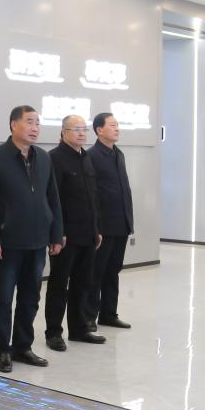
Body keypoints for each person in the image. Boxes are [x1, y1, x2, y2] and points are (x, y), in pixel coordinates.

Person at [0, 105, 63, 373]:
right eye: (30, 122)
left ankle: (23, 347)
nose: (35, 128)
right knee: (2, 299)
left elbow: (53, 198)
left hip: (37, 242)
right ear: (14, 125)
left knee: (30, 297)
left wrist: (56, 234)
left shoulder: (44, 158)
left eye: (38, 123)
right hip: (6, 244)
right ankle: (2, 350)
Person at [45, 115, 106, 351]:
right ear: (63, 132)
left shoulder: (86, 157)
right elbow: (53, 200)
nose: (82, 133)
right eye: (76, 129)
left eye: (84, 129)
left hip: (88, 234)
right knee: (59, 285)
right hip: (65, 237)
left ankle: (79, 329)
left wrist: (97, 229)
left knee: (83, 283)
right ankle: (54, 333)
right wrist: (57, 233)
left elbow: (94, 197)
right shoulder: (54, 158)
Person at [88, 112, 134, 330]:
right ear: (99, 130)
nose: (117, 129)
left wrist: (129, 221)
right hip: (103, 227)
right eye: (113, 125)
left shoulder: (119, 154)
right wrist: (95, 226)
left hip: (121, 224)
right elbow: (92, 195)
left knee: (113, 270)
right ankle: (89, 317)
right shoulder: (92, 156)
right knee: (96, 273)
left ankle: (108, 314)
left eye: (118, 125)